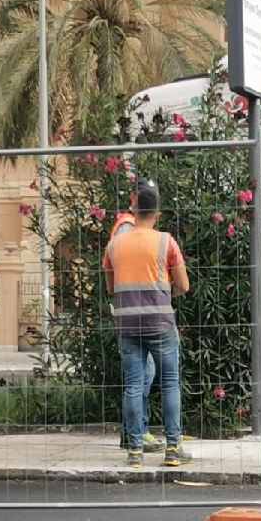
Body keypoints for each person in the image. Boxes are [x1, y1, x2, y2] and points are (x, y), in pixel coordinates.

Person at [103, 179, 191, 467]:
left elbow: (110, 287)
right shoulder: (166, 241)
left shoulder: (115, 244)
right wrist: (167, 292)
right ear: (158, 213)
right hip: (160, 322)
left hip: (127, 324)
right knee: (169, 383)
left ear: (133, 207)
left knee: (132, 384)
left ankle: (135, 450)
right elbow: (184, 285)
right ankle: (173, 449)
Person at [109, 190, 162, 453]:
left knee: (140, 375)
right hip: (136, 312)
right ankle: (134, 432)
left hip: (133, 310)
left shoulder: (126, 227)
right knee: (141, 376)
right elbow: (117, 266)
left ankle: (134, 432)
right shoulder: (126, 228)